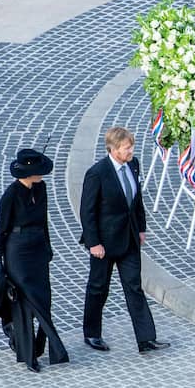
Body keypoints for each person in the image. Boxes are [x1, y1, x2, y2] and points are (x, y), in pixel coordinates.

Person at [79, 126, 168, 354]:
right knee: (99, 287)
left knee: (134, 287)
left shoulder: (133, 164)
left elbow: (136, 200)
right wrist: (93, 243)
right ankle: (92, 332)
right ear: (114, 149)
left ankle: (146, 339)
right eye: (127, 148)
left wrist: (141, 228)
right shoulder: (97, 174)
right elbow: (87, 212)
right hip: (105, 244)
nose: (131, 152)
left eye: (131, 147)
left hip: (129, 238)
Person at [0, 148, 69, 372]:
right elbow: (1, 229)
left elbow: (44, 220)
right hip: (17, 251)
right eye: (38, 171)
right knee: (27, 302)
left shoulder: (41, 188)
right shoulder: (11, 195)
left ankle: (39, 346)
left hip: (37, 249)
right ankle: (31, 356)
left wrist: (48, 246)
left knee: (44, 299)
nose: (42, 175)